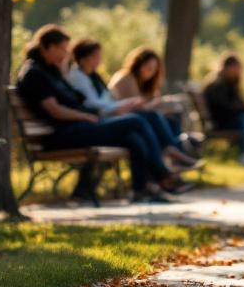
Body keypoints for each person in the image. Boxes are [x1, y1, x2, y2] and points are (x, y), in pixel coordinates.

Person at [15, 25, 186, 204]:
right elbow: (54, 110)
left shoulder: (51, 71)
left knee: (133, 137)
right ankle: (164, 176)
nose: (66, 55)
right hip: (63, 134)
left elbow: (71, 97)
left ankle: (141, 190)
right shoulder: (34, 74)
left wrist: (63, 69)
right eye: (63, 49)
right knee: (136, 120)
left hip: (77, 128)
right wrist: (85, 116)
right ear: (47, 47)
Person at [67, 39, 202, 172]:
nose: (99, 61)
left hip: (112, 115)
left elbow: (107, 101)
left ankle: (165, 169)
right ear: (83, 58)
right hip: (103, 119)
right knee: (144, 121)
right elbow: (93, 104)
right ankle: (168, 162)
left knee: (162, 122)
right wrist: (128, 104)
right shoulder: (80, 77)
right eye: (95, 57)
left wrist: (129, 104)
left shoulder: (93, 77)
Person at [202, 54, 244, 166]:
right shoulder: (217, 84)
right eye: (237, 69)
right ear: (228, 67)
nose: (239, 72)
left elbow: (237, 104)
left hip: (229, 120)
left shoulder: (229, 82)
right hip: (220, 122)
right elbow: (224, 108)